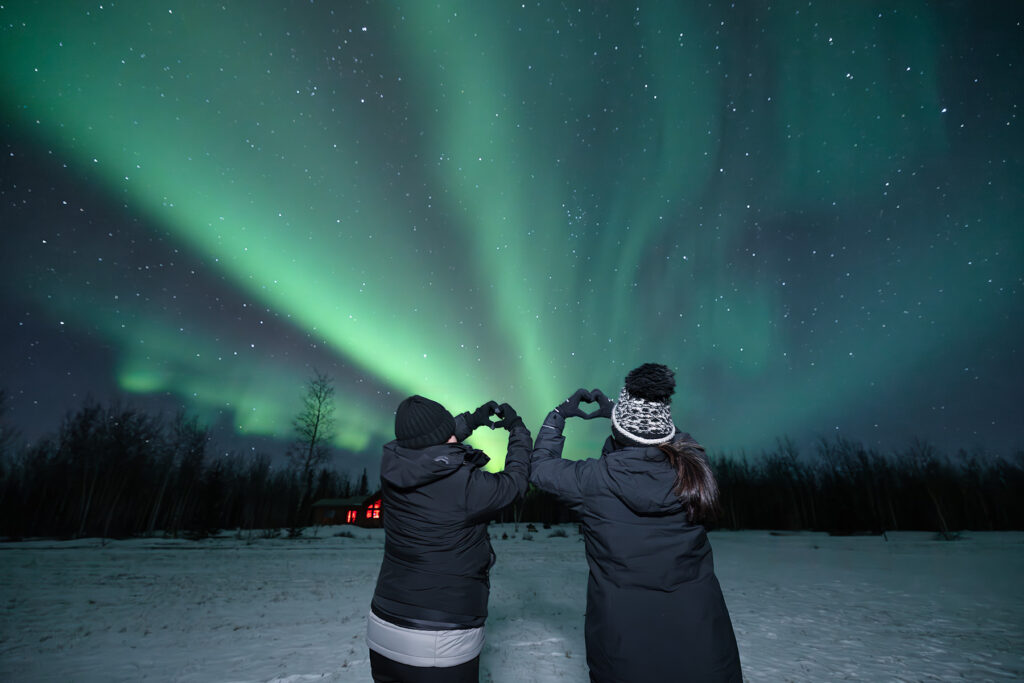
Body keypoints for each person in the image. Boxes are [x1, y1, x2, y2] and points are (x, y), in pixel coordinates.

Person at [530, 363, 742, 682]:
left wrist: (559, 414)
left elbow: (541, 469)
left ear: (619, 429)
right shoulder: (697, 471)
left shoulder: (593, 481)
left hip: (625, 653)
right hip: (702, 647)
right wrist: (625, 413)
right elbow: (674, 437)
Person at [367, 394, 531, 682]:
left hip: (383, 624)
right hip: (439, 640)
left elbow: (429, 441)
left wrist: (473, 419)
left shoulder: (393, 467)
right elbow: (515, 482)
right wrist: (517, 429)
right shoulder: (465, 486)